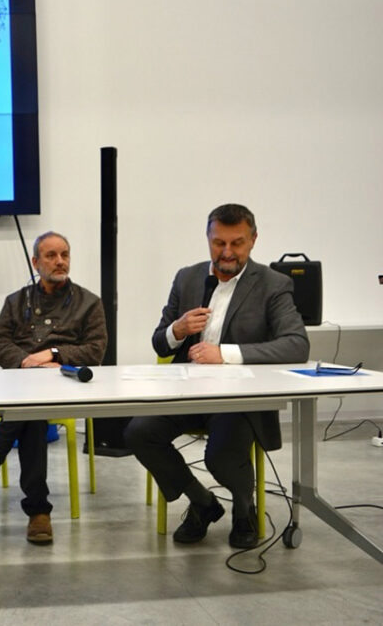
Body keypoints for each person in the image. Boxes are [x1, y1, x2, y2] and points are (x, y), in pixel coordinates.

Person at [125, 203, 309, 549]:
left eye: (236, 243)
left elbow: (296, 345)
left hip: (238, 399)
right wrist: (178, 330)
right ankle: (202, 502)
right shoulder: (187, 277)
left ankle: (244, 509)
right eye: (218, 243)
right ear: (208, 239)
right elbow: (160, 342)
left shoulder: (273, 284)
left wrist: (224, 354)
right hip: (187, 392)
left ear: (253, 240)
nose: (226, 252)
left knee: (220, 456)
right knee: (139, 432)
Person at [0, 231, 107, 544]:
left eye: (64, 254)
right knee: (33, 414)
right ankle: (38, 510)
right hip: (23, 380)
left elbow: (96, 350)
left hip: (66, 382)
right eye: (51, 255)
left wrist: (54, 354)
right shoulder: (16, 301)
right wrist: (27, 363)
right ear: (36, 262)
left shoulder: (89, 303)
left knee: (31, 409)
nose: (60, 261)